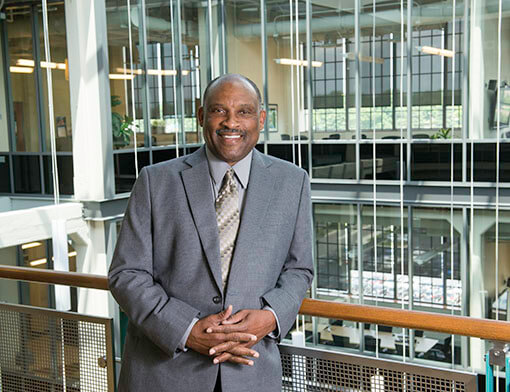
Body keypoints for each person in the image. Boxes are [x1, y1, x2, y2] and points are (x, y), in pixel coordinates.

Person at [108, 73, 313, 392]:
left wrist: (270, 317)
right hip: (165, 373)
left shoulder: (293, 182)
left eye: (244, 112)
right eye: (219, 111)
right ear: (202, 116)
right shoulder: (155, 181)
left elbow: (299, 269)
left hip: (251, 372)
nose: (231, 122)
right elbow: (127, 273)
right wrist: (186, 329)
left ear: (261, 119)